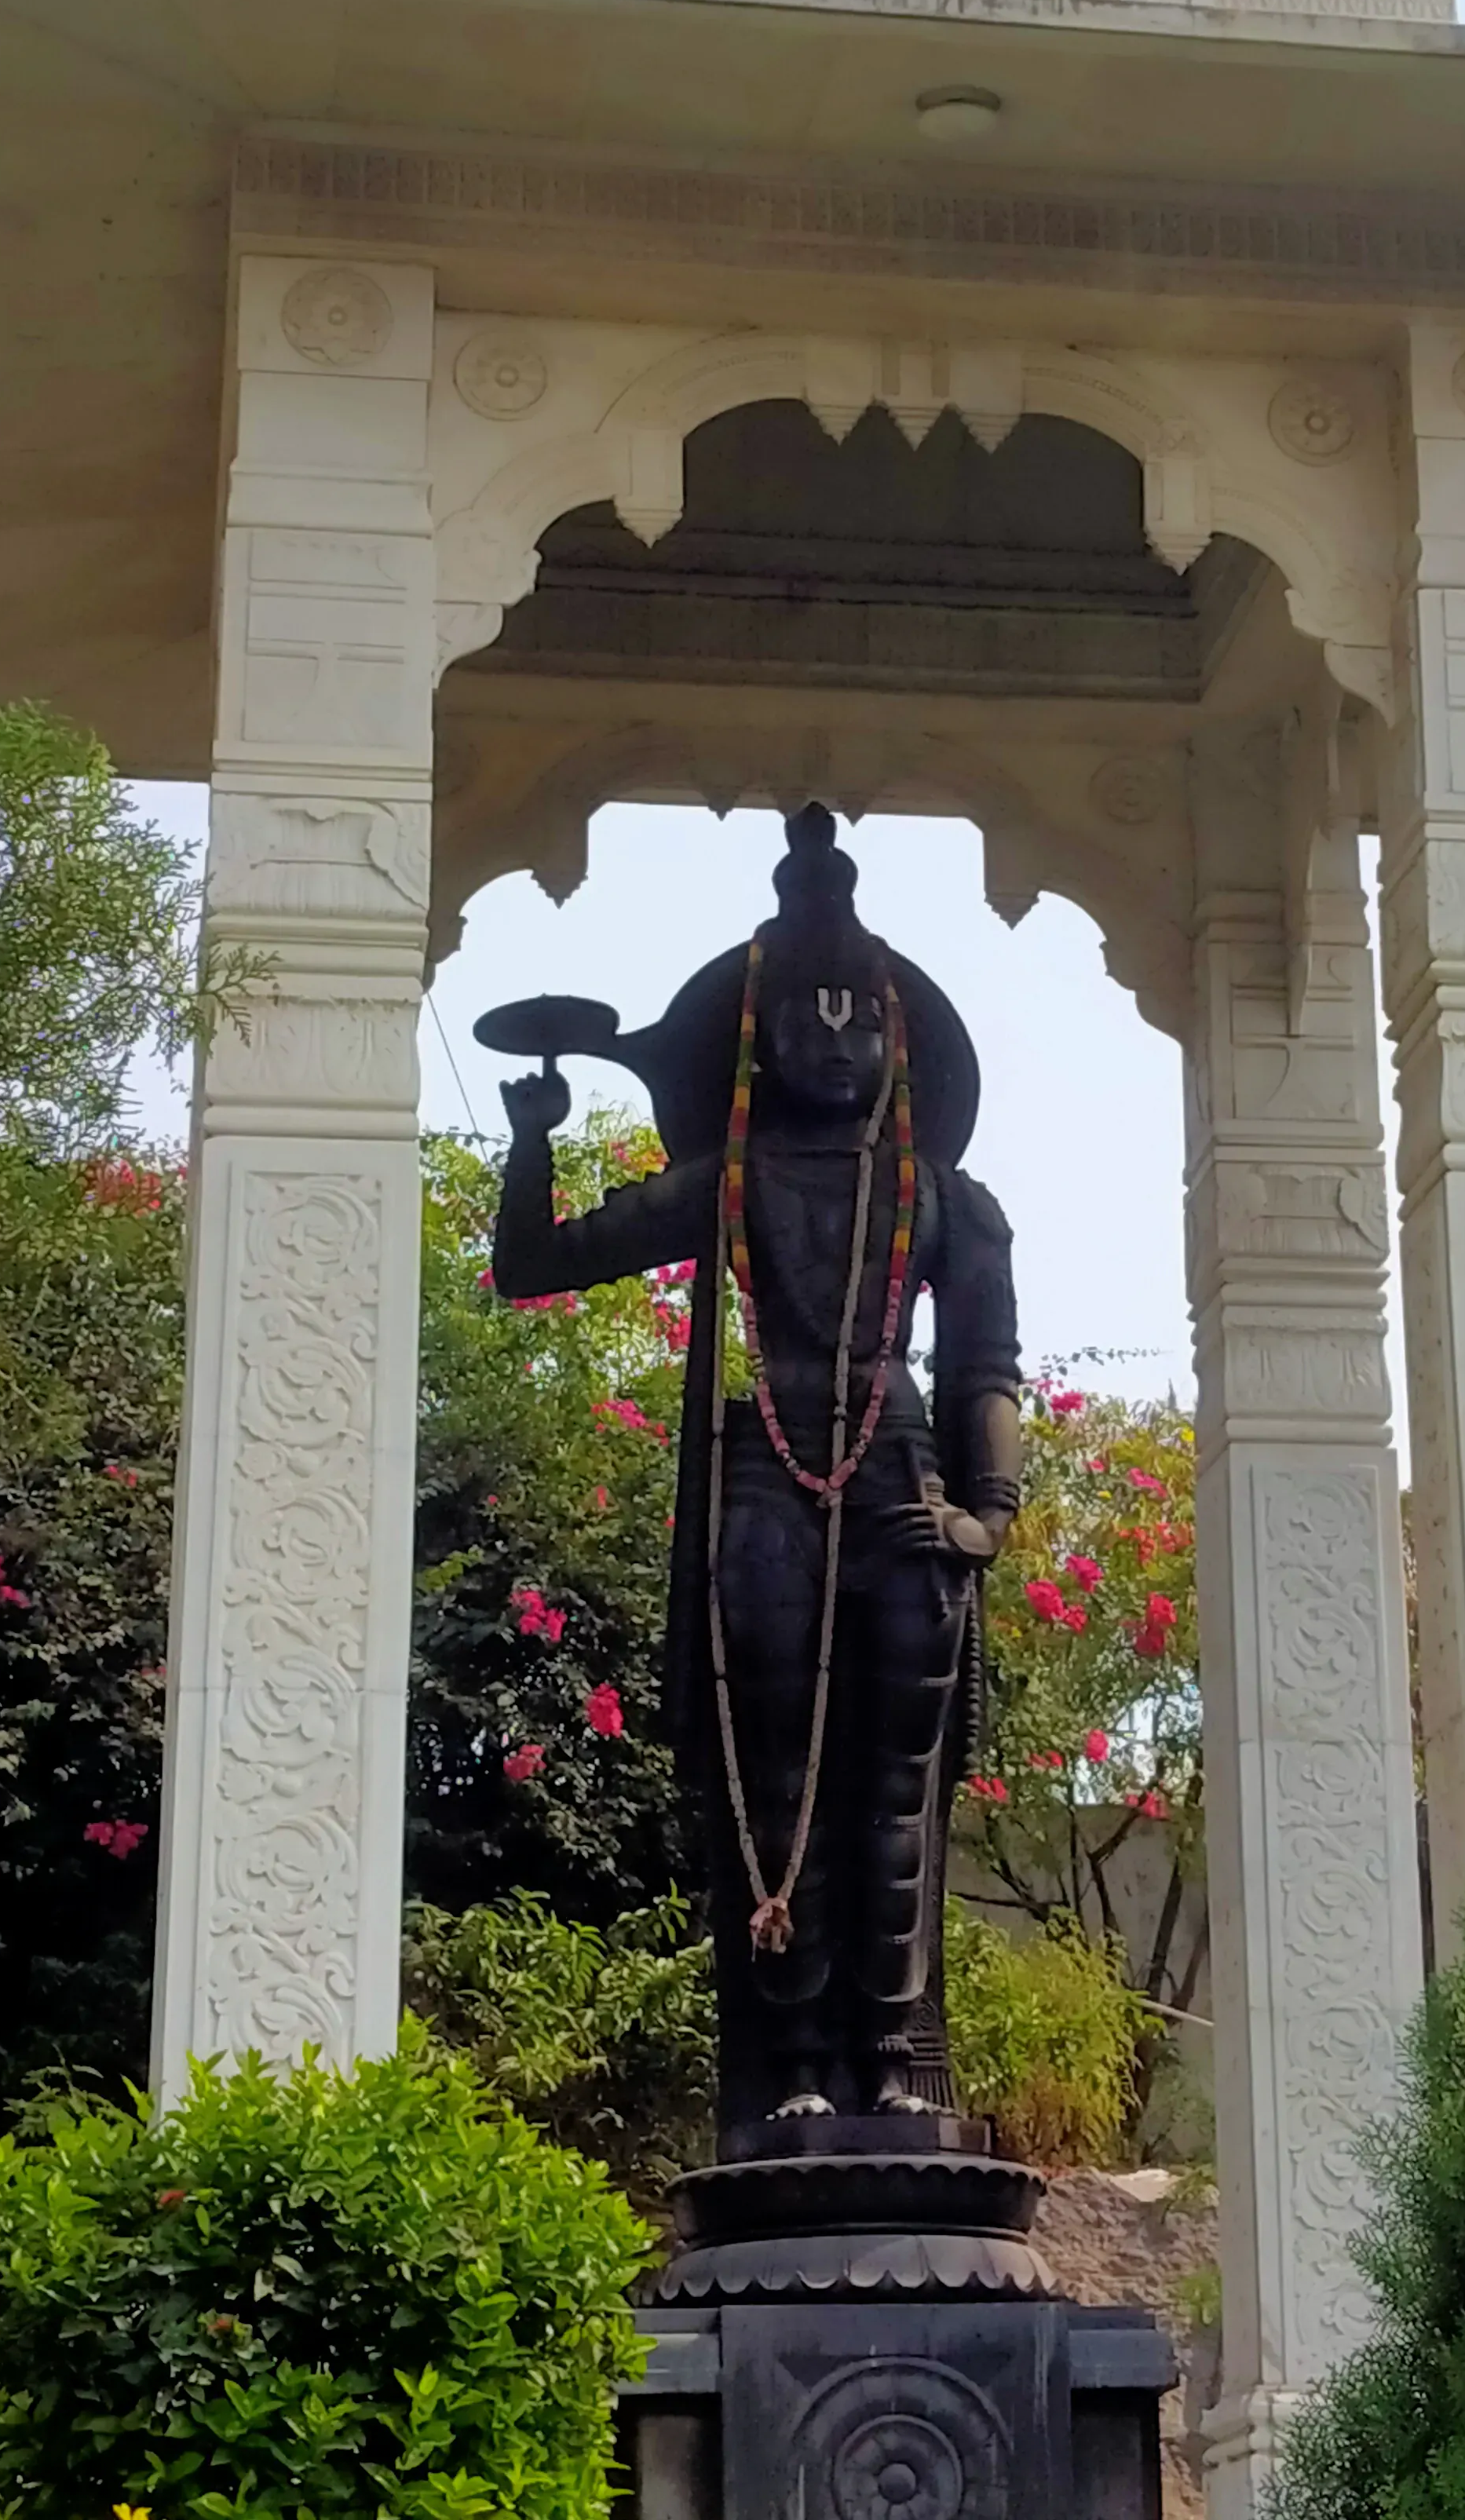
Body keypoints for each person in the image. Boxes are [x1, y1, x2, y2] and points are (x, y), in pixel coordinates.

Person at [489, 805, 1022, 2127]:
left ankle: (889, 2055)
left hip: (902, 1483)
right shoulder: (728, 1181)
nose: (834, 1040)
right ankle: (787, 2069)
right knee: (775, 1781)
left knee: (894, 1788)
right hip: (765, 1485)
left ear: (898, 1038)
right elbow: (535, 1265)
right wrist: (535, 1137)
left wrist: (988, 1516)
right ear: (758, 1038)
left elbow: (984, 1374)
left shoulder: (946, 1201)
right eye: (806, 1014)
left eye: (858, 1018)